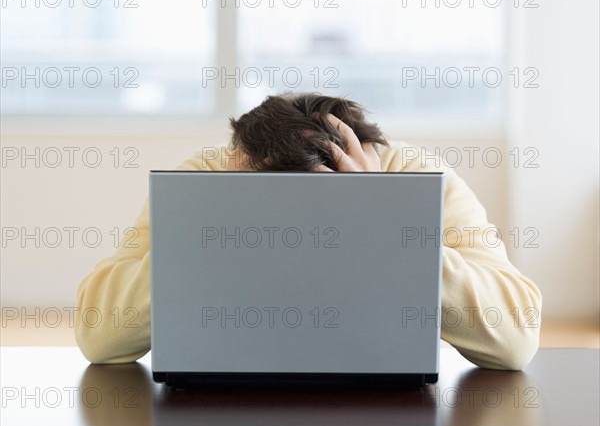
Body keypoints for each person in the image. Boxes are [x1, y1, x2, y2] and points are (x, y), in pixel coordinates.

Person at [75, 92, 542, 370]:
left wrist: (383, 217)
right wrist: (218, 217)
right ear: (241, 159)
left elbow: (516, 337)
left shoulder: (414, 175)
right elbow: (100, 335)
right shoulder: (209, 175)